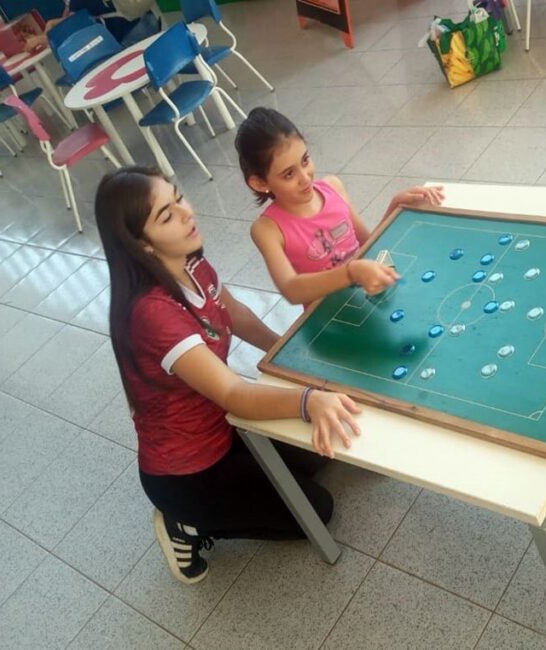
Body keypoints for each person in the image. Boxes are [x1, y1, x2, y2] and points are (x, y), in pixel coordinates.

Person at [95, 166, 363, 585]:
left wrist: (291, 357)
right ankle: (186, 524)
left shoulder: (191, 262)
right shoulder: (152, 314)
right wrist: (308, 398)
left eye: (178, 198)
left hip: (226, 425)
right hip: (190, 471)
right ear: (142, 244)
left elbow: (235, 315)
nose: (187, 213)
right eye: (166, 216)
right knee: (316, 510)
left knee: (320, 452)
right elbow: (234, 393)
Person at [234, 107, 445, 305]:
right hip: (327, 314)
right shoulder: (267, 229)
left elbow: (367, 243)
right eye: (289, 174)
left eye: (305, 160)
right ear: (260, 183)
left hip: (366, 297)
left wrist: (395, 206)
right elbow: (291, 290)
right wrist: (350, 273)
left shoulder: (333, 187)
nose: (305, 178)